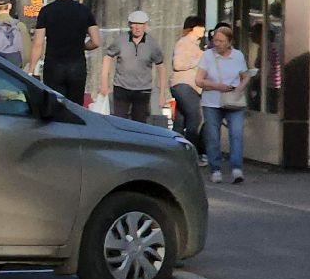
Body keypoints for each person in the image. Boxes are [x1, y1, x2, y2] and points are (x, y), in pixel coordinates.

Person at [27, 0, 100, 105]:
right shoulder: (84, 10)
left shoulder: (46, 11)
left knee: (54, 105)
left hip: (53, 67)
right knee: (75, 107)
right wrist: (81, 46)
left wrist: (31, 69)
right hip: (77, 66)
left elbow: (38, 44)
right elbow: (96, 42)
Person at [196, 24, 250, 184]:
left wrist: (239, 89)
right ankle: (216, 169)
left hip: (233, 101)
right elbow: (198, 80)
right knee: (213, 136)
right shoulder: (208, 56)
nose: (217, 44)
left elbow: (246, 76)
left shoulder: (238, 56)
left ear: (229, 42)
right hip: (212, 102)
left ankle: (237, 168)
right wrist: (216, 86)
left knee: (236, 134)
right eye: (215, 40)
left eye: (221, 41)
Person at [97, 9, 166, 123]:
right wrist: (104, 82)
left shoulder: (152, 44)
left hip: (143, 90)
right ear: (130, 25)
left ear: (145, 25)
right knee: (119, 122)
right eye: (134, 24)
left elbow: (161, 67)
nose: (137, 27)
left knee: (139, 124)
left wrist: (162, 93)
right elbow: (107, 57)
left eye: (140, 24)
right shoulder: (120, 40)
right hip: (121, 87)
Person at [169, 15, 206, 154]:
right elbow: (178, 64)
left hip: (188, 87)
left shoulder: (195, 45)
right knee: (195, 117)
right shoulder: (184, 42)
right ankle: (191, 152)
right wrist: (198, 59)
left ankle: (174, 152)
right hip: (184, 85)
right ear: (192, 28)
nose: (203, 29)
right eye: (200, 26)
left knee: (180, 120)